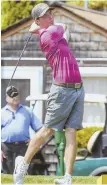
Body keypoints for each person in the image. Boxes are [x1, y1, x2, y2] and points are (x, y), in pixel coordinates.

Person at [13, 3, 85, 185]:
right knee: (47, 130)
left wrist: (35, 27)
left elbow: (55, 26)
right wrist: (38, 28)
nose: (51, 16)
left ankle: (67, 178)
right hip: (62, 90)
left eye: (51, 13)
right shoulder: (49, 34)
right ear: (38, 20)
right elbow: (64, 26)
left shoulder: (49, 32)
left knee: (71, 132)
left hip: (78, 88)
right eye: (46, 15)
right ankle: (22, 164)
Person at [1, 86, 42, 174]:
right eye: (12, 95)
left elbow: (40, 129)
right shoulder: (1, 113)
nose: (15, 97)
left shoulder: (27, 111)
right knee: (7, 174)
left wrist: (35, 142)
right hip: (6, 148)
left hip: (24, 147)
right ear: (7, 98)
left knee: (23, 173)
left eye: (16, 95)